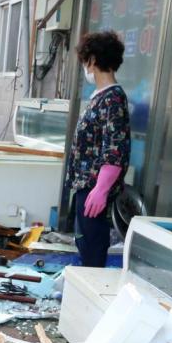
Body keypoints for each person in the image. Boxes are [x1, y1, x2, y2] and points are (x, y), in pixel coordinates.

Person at [67, 30, 131, 268]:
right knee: (85, 244)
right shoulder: (100, 96)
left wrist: (101, 189)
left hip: (95, 190)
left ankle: (89, 297)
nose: (86, 67)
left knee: (92, 247)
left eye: (85, 61)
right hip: (87, 187)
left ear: (92, 60)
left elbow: (115, 147)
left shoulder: (113, 98)